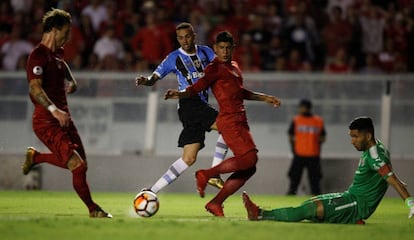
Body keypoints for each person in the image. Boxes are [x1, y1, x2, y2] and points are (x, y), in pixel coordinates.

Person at [164, 31, 281, 217]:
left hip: (241, 120)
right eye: (221, 48)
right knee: (249, 158)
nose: (225, 52)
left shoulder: (234, 66)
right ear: (215, 49)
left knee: (249, 167)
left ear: (233, 48)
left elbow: (240, 92)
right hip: (229, 121)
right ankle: (206, 174)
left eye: (228, 48)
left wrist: (264, 97)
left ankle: (216, 202)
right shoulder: (214, 68)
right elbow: (197, 87)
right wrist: (178, 94)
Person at [22, 8, 111, 218]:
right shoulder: (37, 56)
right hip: (46, 121)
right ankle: (93, 209)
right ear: (54, 30)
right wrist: (54, 111)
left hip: (64, 120)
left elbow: (62, 65)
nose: (68, 37)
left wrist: (71, 80)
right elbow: (35, 89)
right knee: (76, 165)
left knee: (82, 165)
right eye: (66, 32)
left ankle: (36, 157)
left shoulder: (57, 54)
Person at [243, 116, 414, 224]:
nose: (352, 141)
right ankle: (348, 221)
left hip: (355, 205)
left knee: (309, 210)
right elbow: (388, 175)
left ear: (368, 136)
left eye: (355, 136)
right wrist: (389, 180)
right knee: (310, 204)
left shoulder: (375, 156)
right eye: (351, 137)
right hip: (350, 197)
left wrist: (410, 202)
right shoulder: (379, 148)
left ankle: (259, 214)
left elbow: (392, 179)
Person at [135, 22, 229, 194]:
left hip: (198, 106)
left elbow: (221, 67)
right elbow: (154, 77)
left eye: (187, 36)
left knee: (188, 158)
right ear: (177, 39)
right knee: (229, 126)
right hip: (189, 104)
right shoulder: (173, 58)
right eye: (180, 38)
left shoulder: (206, 52)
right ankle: (215, 174)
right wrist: (146, 81)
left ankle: (151, 190)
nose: (184, 41)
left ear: (194, 36)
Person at [287, 98, 326, 195]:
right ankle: (292, 194)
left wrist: (294, 146)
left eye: (301, 107)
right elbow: (322, 138)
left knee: (314, 180)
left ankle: (314, 196)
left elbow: (291, 136)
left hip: (310, 154)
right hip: (302, 154)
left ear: (306, 108)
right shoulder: (297, 120)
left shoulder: (317, 121)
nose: (300, 109)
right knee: (295, 178)